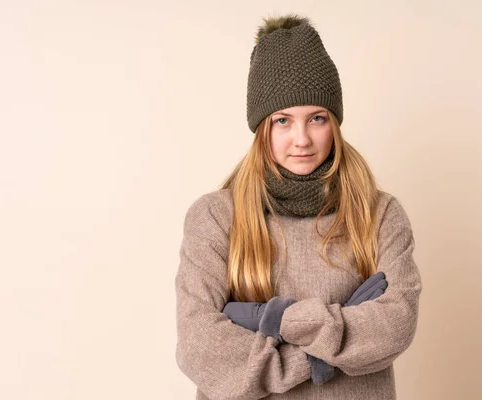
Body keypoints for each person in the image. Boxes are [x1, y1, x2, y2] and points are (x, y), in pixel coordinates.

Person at [174, 13, 423, 400]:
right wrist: (315, 361)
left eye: (317, 118)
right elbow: (200, 348)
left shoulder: (379, 214)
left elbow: (394, 324)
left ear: (335, 123)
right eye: (283, 121)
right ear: (262, 128)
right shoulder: (215, 217)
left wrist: (266, 319)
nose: (302, 139)